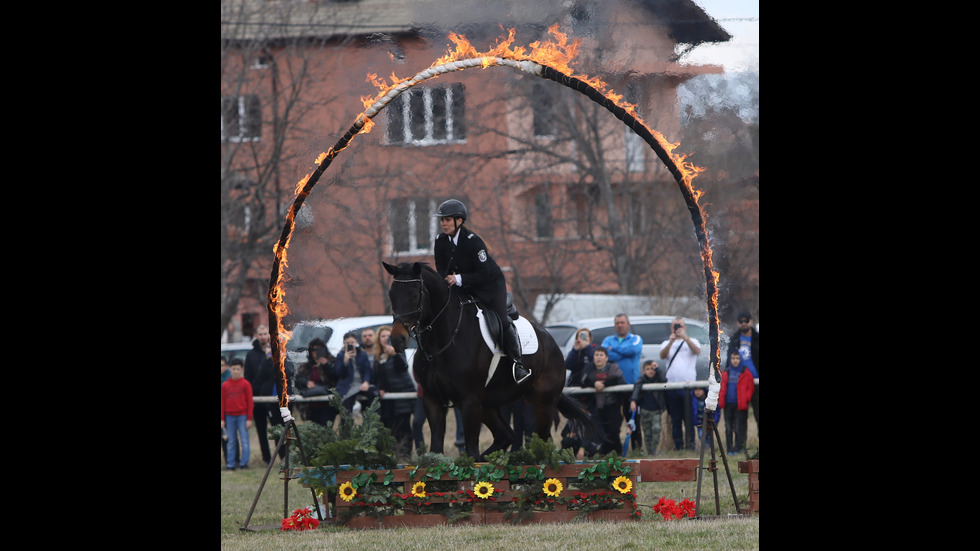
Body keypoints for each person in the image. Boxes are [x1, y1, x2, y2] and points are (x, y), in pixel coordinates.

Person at [432, 198, 530, 383]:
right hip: (463, 288)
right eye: (442, 220)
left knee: (502, 320)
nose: (443, 223)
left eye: (447, 219)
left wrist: (458, 278)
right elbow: (442, 270)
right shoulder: (440, 241)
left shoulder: (473, 241)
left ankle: (518, 364)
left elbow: (484, 274)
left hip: (490, 287)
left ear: (459, 221)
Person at [601, 314, 643, 452]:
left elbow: (633, 349)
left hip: (631, 387)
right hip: (612, 387)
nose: (620, 325)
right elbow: (605, 354)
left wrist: (614, 350)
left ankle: (636, 449)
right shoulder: (608, 340)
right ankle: (615, 450)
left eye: (622, 322)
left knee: (633, 419)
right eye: (617, 323)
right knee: (613, 420)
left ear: (628, 324)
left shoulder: (636, 339)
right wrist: (622, 352)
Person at [659, 317, 702, 450]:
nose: (677, 328)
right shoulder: (666, 342)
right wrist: (671, 342)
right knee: (675, 418)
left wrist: (685, 338)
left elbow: (697, 351)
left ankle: (691, 445)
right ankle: (678, 446)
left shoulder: (692, 341)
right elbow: (662, 355)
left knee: (689, 417)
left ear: (685, 327)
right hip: (672, 386)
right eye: (675, 326)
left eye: (680, 326)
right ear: (671, 328)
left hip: (688, 386)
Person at [374, 325, 415, 460]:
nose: (385, 339)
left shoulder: (398, 351)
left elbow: (403, 367)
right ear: (379, 339)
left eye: (388, 336)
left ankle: (405, 455)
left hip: (402, 395)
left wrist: (395, 354)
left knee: (403, 427)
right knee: (390, 428)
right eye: (383, 336)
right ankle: (392, 455)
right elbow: (378, 376)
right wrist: (379, 389)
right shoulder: (378, 356)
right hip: (388, 400)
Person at [581, 346, 627, 456]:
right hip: (598, 406)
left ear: (606, 358)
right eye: (596, 355)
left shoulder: (613, 368)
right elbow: (583, 381)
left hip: (614, 404)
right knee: (604, 432)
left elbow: (621, 382)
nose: (598, 357)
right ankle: (615, 454)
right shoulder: (589, 368)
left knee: (614, 430)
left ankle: (605, 452)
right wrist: (594, 384)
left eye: (601, 355)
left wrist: (604, 384)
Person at [727, 311, 759, 438]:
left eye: (746, 321)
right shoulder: (734, 339)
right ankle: (742, 445)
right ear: (737, 323)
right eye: (741, 321)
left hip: (756, 382)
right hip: (740, 383)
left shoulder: (757, 338)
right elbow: (729, 360)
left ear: (751, 322)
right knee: (740, 416)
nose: (744, 324)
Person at [294, 337, 338, 427]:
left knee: (326, 430)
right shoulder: (305, 367)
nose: (316, 352)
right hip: (311, 406)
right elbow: (297, 380)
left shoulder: (332, 362)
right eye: (314, 350)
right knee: (314, 431)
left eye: (319, 349)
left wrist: (326, 365)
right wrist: (306, 382)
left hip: (328, 405)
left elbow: (336, 377)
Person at [335, 331, 378, 420]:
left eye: (352, 342)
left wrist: (366, 382)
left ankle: (372, 422)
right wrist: (345, 361)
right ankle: (346, 427)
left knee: (374, 395)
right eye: (347, 343)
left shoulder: (362, 354)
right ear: (344, 344)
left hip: (362, 384)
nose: (350, 344)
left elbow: (367, 371)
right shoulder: (340, 355)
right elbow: (339, 374)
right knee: (346, 408)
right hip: (348, 386)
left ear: (356, 342)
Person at [719, 350, 754, 455]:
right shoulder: (726, 372)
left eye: (737, 358)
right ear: (730, 359)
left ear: (740, 359)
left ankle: (738, 447)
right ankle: (730, 449)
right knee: (728, 427)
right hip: (728, 404)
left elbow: (750, 387)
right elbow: (722, 387)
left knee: (739, 427)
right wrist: (721, 399)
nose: (735, 360)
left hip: (740, 404)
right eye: (733, 358)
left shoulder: (745, 372)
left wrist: (746, 398)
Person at [221, 358, 253, 471]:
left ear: (241, 370)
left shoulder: (246, 384)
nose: (235, 371)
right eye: (233, 369)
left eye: (238, 369)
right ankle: (230, 464)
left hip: (242, 416)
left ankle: (244, 463)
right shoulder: (225, 385)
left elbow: (250, 402)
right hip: (229, 416)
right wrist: (222, 419)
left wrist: (249, 418)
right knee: (231, 441)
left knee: (244, 440)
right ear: (230, 369)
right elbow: (222, 403)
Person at [629, 360, 666, 456]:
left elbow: (664, 380)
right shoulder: (641, 380)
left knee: (656, 428)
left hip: (656, 410)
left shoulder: (658, 378)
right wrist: (633, 400)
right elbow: (636, 388)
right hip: (645, 410)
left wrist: (657, 369)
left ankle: (653, 448)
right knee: (647, 432)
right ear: (643, 371)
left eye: (652, 369)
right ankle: (649, 451)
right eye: (648, 369)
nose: (650, 371)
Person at [221, 355, 233, 466]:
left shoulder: (230, 378)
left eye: (222, 365)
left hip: (228, 411)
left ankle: (232, 460)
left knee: (229, 437)